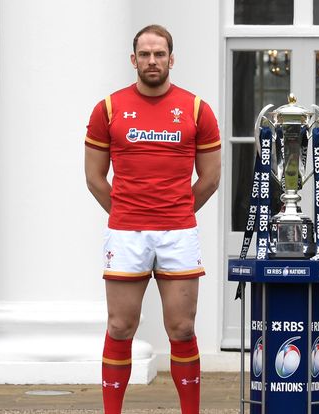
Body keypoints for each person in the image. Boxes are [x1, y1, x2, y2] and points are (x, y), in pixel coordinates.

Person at [84, 24, 221, 414]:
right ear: (133, 60)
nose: (152, 61)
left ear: (171, 59)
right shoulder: (108, 108)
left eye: (159, 54)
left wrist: (174, 211)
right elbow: (94, 178)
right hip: (126, 233)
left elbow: (210, 178)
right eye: (144, 54)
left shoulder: (197, 109)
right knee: (120, 327)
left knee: (182, 329)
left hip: (178, 233)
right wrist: (128, 212)